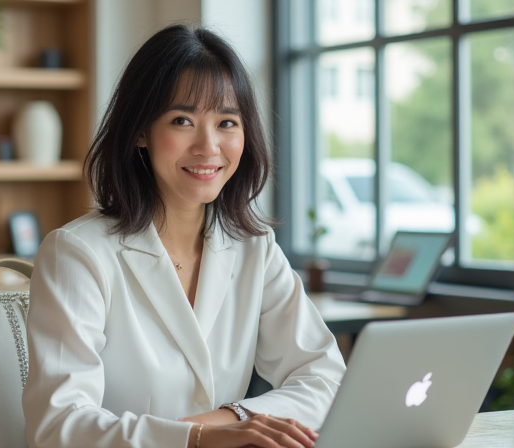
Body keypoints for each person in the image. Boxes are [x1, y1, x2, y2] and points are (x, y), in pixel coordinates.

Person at [23, 24, 346, 448]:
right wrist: (195, 438)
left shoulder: (254, 247)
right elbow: (58, 427)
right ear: (141, 131)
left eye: (227, 122)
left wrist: (230, 419)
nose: (208, 146)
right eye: (182, 120)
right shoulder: (77, 254)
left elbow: (325, 377)